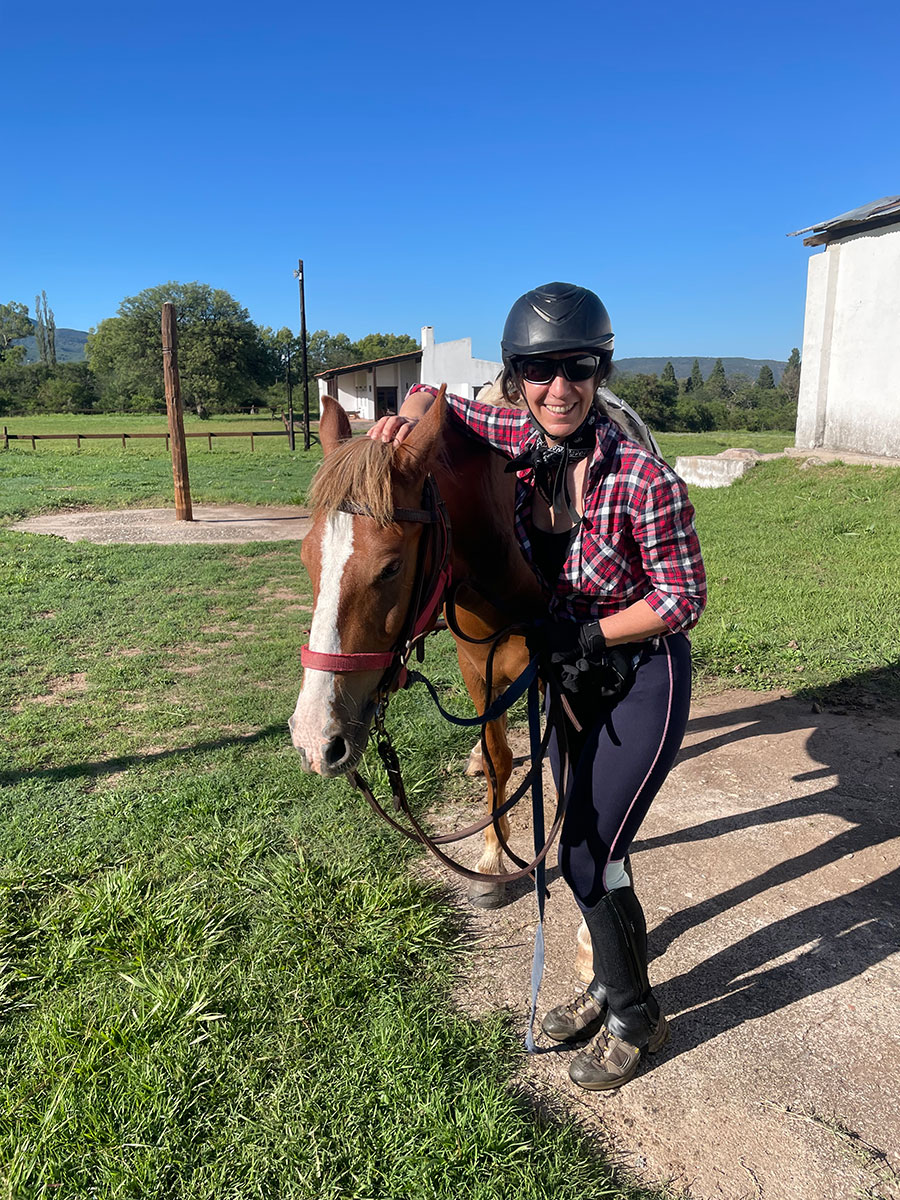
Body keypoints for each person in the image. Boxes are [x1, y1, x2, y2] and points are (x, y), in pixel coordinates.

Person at [369, 282, 706, 1090]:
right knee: (587, 853)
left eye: (579, 367)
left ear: (601, 370)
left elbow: (682, 598)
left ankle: (637, 1017)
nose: (561, 387)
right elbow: (438, 397)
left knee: (590, 852)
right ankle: (607, 986)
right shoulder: (513, 427)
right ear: (517, 375)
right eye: (540, 369)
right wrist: (403, 415)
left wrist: (589, 631)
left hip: (639, 678)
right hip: (570, 683)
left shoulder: (643, 480)